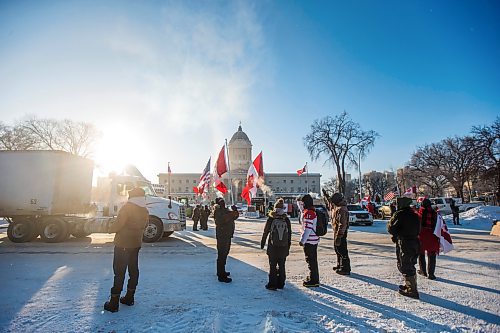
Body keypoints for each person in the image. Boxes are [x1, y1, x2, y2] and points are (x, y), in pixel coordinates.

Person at [104, 187, 149, 312]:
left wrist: (109, 229)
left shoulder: (127, 207)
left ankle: (114, 303)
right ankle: (129, 298)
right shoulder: (145, 209)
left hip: (123, 244)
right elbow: (146, 225)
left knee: (119, 272)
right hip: (136, 244)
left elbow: (118, 224)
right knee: (133, 270)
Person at [387, 197, 421, 299]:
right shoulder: (414, 214)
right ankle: (409, 285)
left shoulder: (400, 214)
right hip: (415, 242)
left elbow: (391, 228)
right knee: (411, 264)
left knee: (405, 265)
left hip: (405, 242)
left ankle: (412, 290)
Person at [260, 198, 292, 290]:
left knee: (272, 265)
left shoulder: (271, 218)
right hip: (284, 246)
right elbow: (289, 233)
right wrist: (288, 246)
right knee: (282, 265)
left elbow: (266, 231)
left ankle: (272, 284)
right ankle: (281, 283)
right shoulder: (286, 219)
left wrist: (262, 243)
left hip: (272, 246)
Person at [214, 198, 239, 283]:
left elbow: (234, 217)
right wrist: (230, 215)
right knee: (221, 255)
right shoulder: (217, 211)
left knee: (225, 254)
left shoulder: (225, 210)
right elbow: (220, 221)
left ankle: (222, 271)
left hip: (227, 235)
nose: (224, 204)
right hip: (222, 236)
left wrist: (235, 211)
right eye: (221, 202)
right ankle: (221, 275)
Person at [298, 194, 320, 287]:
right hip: (313, 239)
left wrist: (302, 241)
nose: (300, 205)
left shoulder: (309, 213)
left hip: (310, 240)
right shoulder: (310, 211)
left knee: (311, 260)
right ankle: (314, 277)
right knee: (312, 260)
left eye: (301, 203)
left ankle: (313, 280)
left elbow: (308, 228)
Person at [417, 198, 439, 280]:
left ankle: (423, 271)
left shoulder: (419, 212)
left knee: (421, 254)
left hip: (422, 236)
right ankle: (431, 274)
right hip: (432, 236)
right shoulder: (435, 213)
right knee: (432, 255)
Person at [330, 192, 351, 275]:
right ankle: (340, 265)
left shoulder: (342, 209)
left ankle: (345, 268)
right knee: (337, 249)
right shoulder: (338, 207)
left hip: (341, 232)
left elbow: (342, 224)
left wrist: (339, 236)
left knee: (342, 250)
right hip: (337, 231)